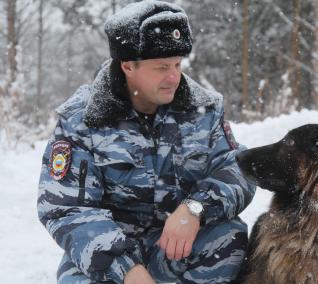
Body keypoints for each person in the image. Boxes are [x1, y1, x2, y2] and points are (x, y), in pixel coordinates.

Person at [37, 1, 256, 283]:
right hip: (109, 255)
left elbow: (237, 169)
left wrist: (195, 208)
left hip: (174, 247)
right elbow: (65, 208)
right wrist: (128, 271)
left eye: (178, 64)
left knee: (229, 237)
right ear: (128, 66)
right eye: (162, 67)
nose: (174, 77)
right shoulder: (82, 120)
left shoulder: (203, 108)